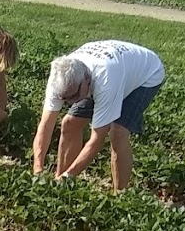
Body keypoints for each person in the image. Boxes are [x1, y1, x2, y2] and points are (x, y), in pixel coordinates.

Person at [31, 40, 165, 192]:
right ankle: (62, 186)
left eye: (74, 96)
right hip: (117, 68)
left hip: (145, 75)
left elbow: (97, 139)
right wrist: (38, 169)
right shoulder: (59, 79)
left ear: (86, 80)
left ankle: (120, 195)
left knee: (118, 132)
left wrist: (70, 175)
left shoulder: (105, 80)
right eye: (65, 99)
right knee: (70, 123)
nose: (70, 103)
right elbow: (45, 126)